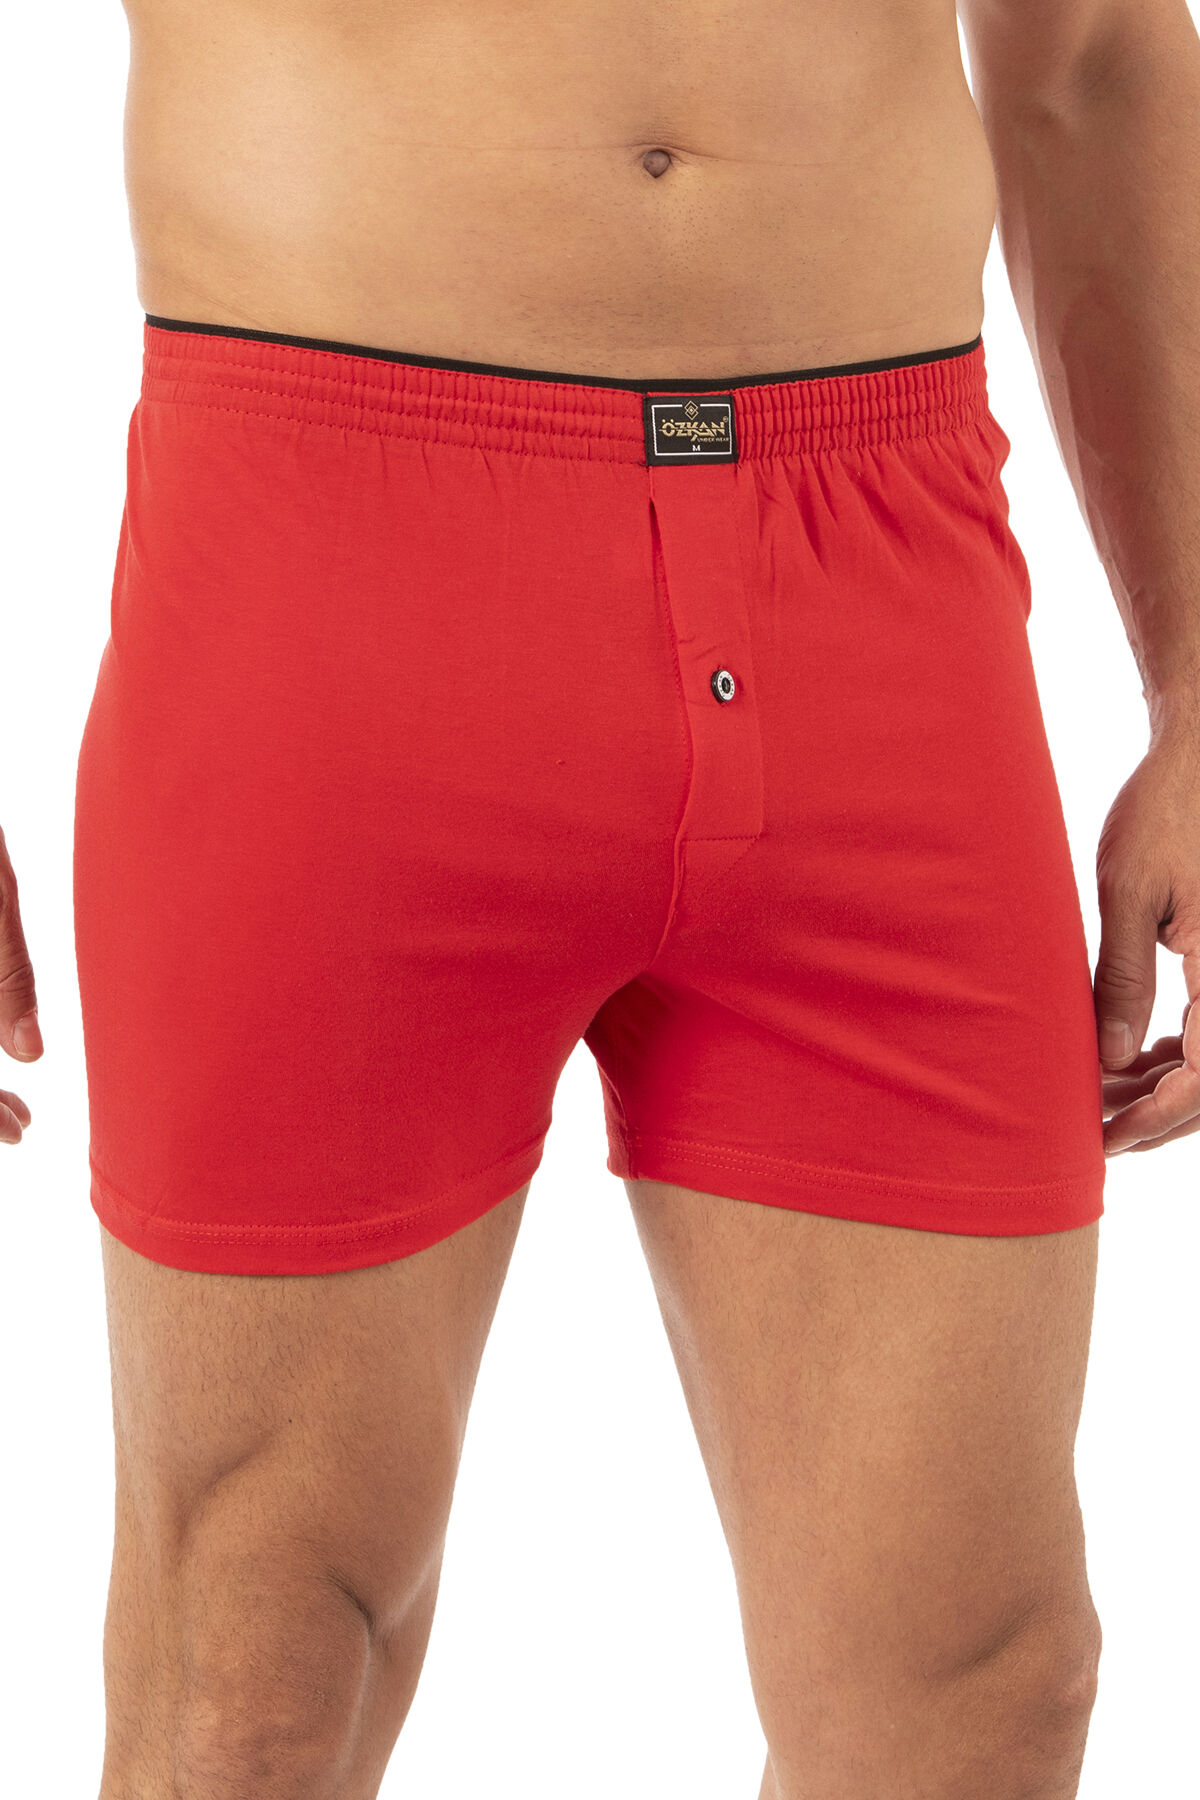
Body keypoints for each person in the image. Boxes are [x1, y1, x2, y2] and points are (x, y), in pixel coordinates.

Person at [4, 0, 1200, 1793]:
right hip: (330, 580)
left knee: (983, 1685)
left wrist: (1196, 685)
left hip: (887, 594)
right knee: (251, 1680)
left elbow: (1091, 52)